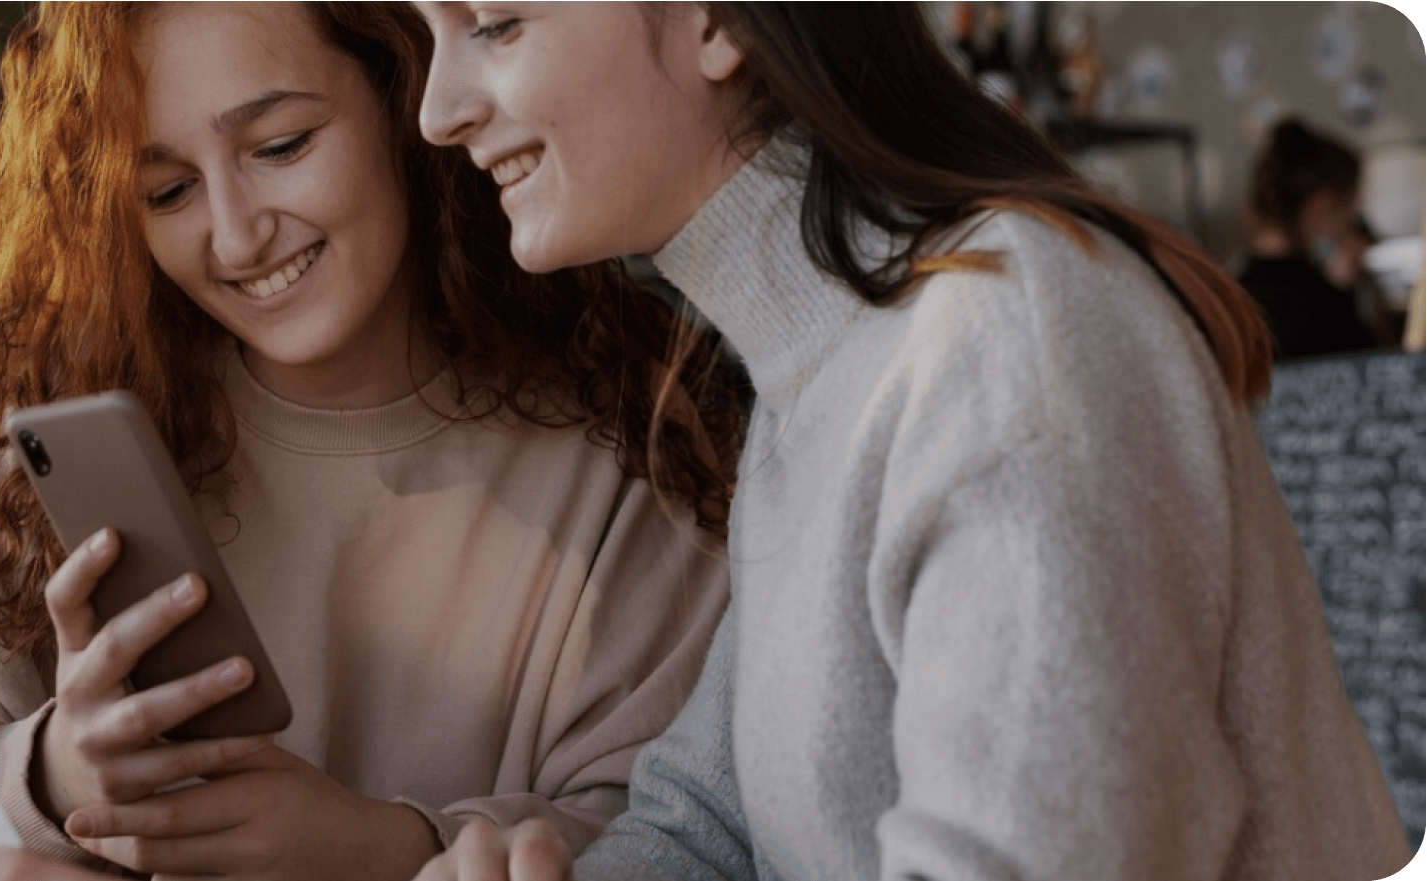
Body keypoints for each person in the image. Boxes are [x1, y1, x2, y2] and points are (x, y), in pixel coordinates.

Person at [406, 3, 1411, 880]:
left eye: (495, 24)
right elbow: (707, 825)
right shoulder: (818, 368)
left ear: (724, 20)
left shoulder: (1004, 340)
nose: (437, 110)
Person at [0, 3, 738, 879]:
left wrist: (376, 846)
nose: (236, 236)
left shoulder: (638, 453)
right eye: (167, 191)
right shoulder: (37, 446)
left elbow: (684, 834)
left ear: (405, 103)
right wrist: (52, 772)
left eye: (281, 147)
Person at [1236, 118, 1381, 360]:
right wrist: (1350, 292)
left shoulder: (1228, 294)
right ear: (1323, 205)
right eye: (1348, 208)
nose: (1351, 222)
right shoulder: (1323, 308)